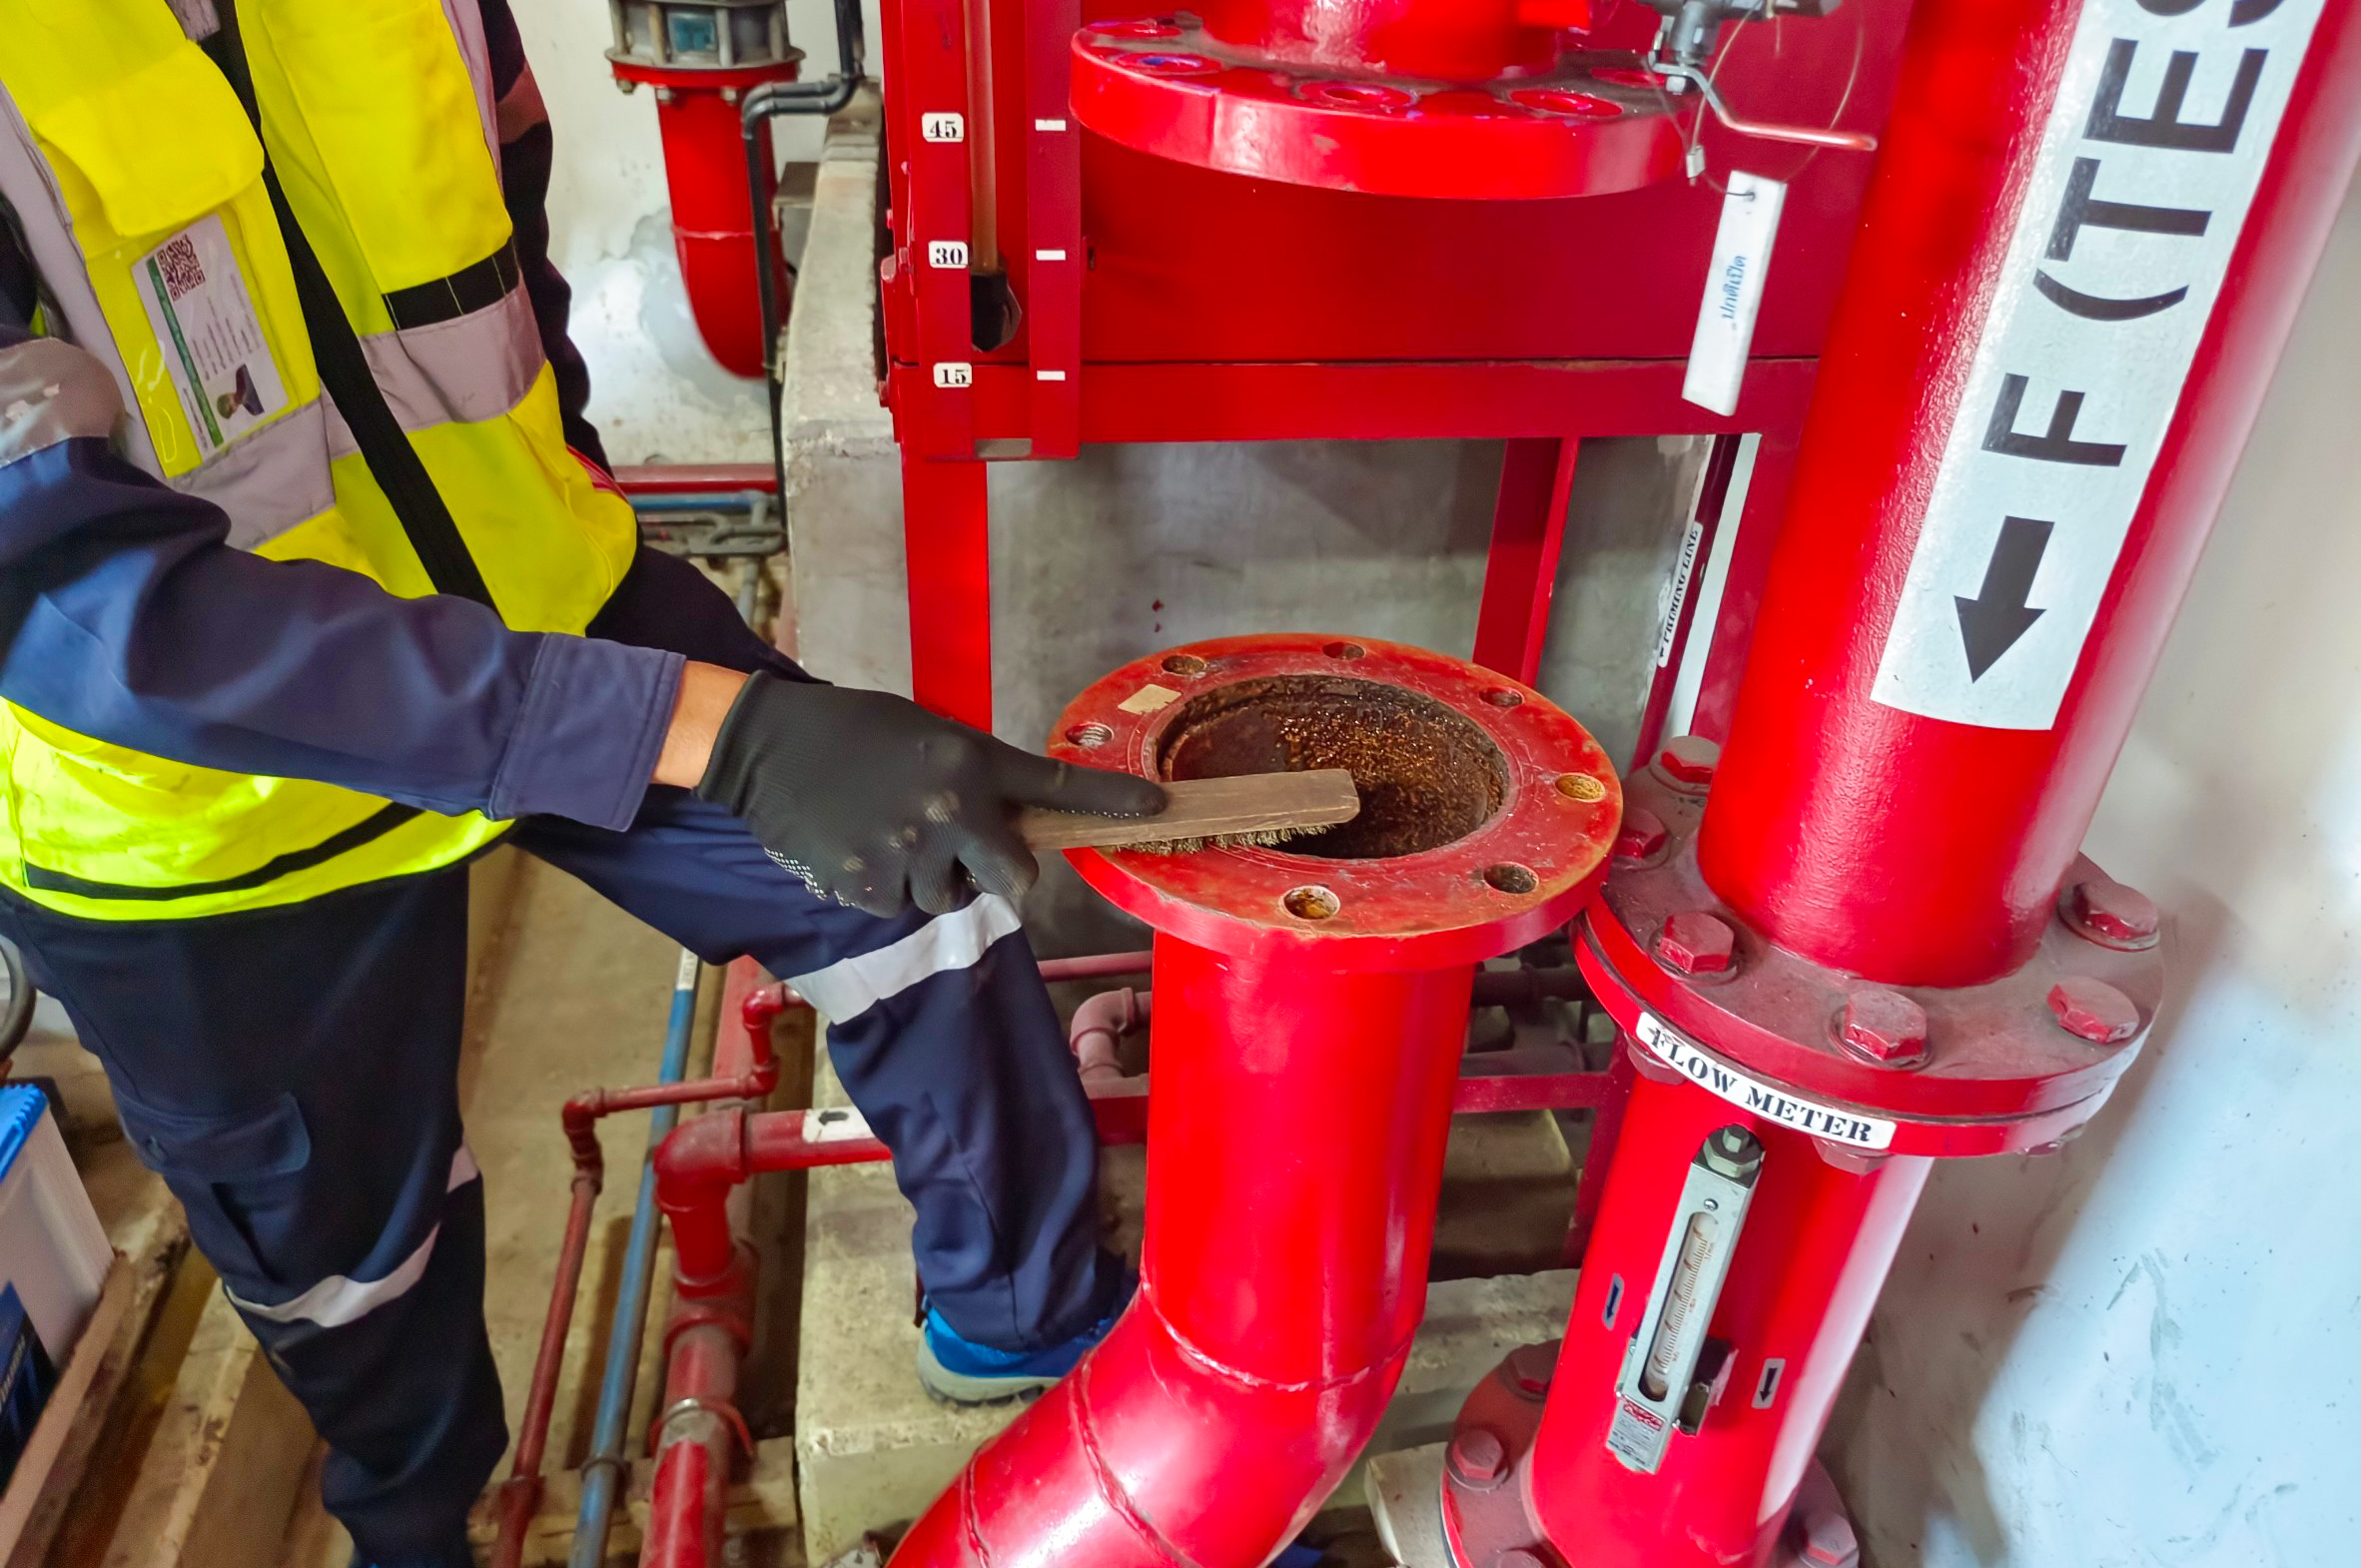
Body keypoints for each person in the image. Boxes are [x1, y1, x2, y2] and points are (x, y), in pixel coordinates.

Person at [0, 3, 1165, 1565]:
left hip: (536, 598)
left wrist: (567, 481)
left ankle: (1027, 1319)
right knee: (360, 1273)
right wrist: (718, 732)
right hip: (202, 810)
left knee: (921, 888)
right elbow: (76, 602)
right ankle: (428, 1532)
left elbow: (500, 228)